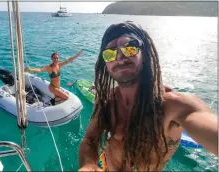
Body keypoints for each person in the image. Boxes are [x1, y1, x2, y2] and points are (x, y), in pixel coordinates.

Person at [78, 21, 217, 171]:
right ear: (105, 64)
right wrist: (89, 165)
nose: (119, 57)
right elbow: (90, 139)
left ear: (144, 55)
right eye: (109, 53)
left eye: (129, 48)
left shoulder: (174, 106)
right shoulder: (106, 101)